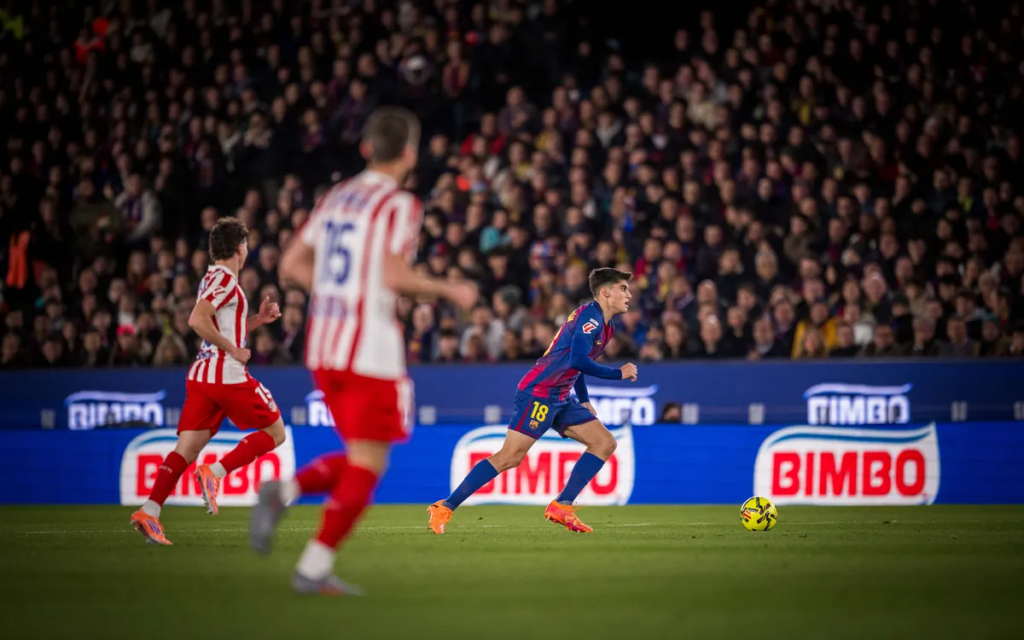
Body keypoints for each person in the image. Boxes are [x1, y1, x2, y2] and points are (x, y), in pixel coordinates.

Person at [249, 107, 477, 594]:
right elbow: (394, 275)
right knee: (369, 464)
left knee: (361, 457)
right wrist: (451, 290)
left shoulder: (336, 196)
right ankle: (312, 566)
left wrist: (338, 295)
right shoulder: (398, 204)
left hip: (323, 347)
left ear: (366, 147)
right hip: (369, 350)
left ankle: (284, 493)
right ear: (410, 154)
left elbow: (291, 264)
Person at [428, 267, 638, 535]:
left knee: (604, 442)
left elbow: (577, 363)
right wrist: (618, 374)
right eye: (623, 288)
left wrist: (584, 399)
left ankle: (562, 505)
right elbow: (578, 360)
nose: (629, 295)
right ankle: (444, 507)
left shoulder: (605, 325)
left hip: (561, 395)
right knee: (510, 456)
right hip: (540, 391)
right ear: (606, 292)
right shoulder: (591, 318)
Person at [129, 217, 286, 545]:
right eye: (246, 245)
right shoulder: (226, 280)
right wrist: (234, 350)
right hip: (225, 374)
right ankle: (215, 472)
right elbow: (197, 319)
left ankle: (149, 511)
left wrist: (257, 320)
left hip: (202, 376)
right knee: (276, 432)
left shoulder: (212, 278)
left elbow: (224, 327)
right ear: (240, 248)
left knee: (185, 450)